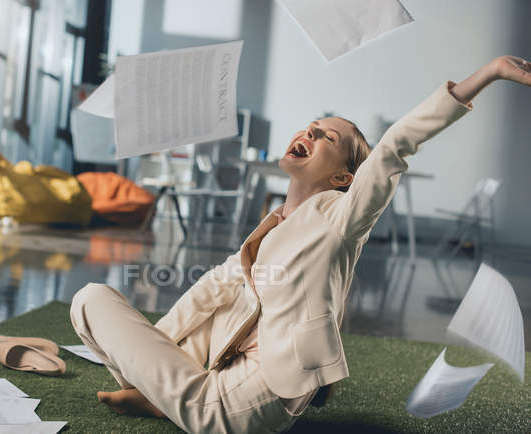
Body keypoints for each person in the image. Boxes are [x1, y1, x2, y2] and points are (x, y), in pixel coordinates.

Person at [70, 55, 531, 433]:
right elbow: (209, 290)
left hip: (259, 392)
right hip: (215, 369)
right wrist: (153, 346)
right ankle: (164, 395)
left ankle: (170, 398)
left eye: (325, 136)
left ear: (343, 177)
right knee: (90, 299)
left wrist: (489, 73)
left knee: (196, 395)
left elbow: (395, 146)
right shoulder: (270, 226)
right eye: (309, 127)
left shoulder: (342, 218)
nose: (308, 134)